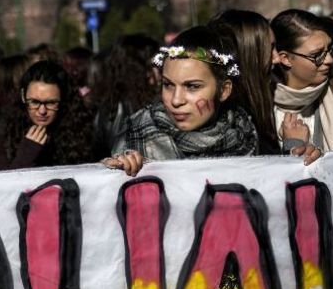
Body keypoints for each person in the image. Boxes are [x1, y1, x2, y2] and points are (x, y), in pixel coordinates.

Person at [105, 26, 321, 176]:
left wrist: (296, 158)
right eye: (168, 84)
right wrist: (115, 174)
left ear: (224, 90)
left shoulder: (246, 133)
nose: (176, 100)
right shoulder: (134, 138)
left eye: (192, 86)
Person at [0, 60, 97, 170]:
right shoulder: (7, 132)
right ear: (23, 96)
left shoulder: (79, 131)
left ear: (63, 100)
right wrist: (27, 152)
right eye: (34, 102)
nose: (42, 111)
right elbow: (3, 183)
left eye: (51, 103)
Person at [271, 9, 333, 152]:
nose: (329, 60)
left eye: (330, 49)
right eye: (317, 55)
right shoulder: (262, 107)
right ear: (286, 59)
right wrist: (293, 145)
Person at [208, 10, 281, 153]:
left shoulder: (257, 105)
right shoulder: (233, 127)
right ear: (248, 55)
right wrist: (292, 147)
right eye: (270, 48)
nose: (276, 58)